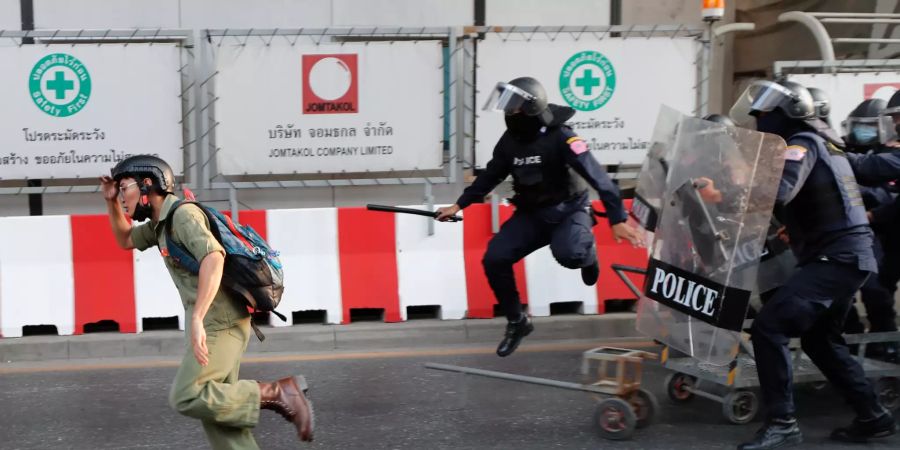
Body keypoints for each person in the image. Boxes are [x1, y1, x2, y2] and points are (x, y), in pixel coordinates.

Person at [101, 155, 314, 449]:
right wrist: (111, 201)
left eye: (124, 188)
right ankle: (275, 395)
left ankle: (278, 392)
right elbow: (125, 239)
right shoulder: (160, 224)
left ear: (147, 185)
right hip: (218, 323)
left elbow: (213, 258)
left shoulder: (182, 216)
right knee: (222, 422)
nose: (123, 197)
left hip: (219, 324)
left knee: (187, 394)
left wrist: (198, 318)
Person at [729, 80, 896, 449]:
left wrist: (727, 191)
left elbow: (781, 188)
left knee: (769, 328)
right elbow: (820, 196)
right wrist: (797, 224)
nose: (758, 122)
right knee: (821, 340)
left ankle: (783, 423)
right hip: (843, 256)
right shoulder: (821, 144)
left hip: (837, 258)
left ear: (786, 115)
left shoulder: (801, 144)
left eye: (764, 114)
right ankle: (874, 415)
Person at [435, 77, 641, 357]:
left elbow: (597, 176)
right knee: (494, 258)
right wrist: (459, 205)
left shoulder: (563, 137)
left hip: (569, 211)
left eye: (514, 105)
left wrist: (616, 217)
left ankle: (588, 255)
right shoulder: (509, 142)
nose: (508, 112)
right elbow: (490, 176)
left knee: (570, 255)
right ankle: (517, 322)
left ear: (531, 108)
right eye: (506, 105)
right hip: (531, 215)